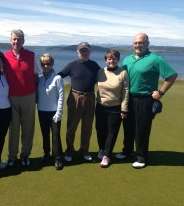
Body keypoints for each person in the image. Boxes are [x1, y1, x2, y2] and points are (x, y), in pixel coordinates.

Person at [115, 33, 178, 169]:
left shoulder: (155, 59)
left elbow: (172, 75)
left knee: (142, 129)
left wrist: (160, 92)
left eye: (140, 43)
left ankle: (141, 156)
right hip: (128, 98)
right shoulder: (127, 59)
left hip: (144, 100)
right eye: (135, 43)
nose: (137, 45)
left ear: (147, 43)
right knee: (128, 126)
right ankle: (127, 151)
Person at [3, 29, 40, 167]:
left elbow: (36, 76)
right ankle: (12, 156)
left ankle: (25, 155)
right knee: (13, 130)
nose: (16, 41)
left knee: (28, 128)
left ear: (23, 41)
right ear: (10, 40)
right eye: (14, 39)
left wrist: (36, 95)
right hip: (11, 98)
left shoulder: (31, 55)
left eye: (19, 39)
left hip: (29, 97)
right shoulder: (5, 56)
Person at [58, 42, 100, 162]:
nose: (84, 53)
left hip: (90, 98)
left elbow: (103, 78)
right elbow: (59, 76)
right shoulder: (72, 65)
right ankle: (69, 151)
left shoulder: (95, 65)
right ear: (77, 52)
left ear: (90, 52)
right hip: (75, 98)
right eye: (82, 51)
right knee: (72, 126)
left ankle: (84, 150)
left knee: (87, 127)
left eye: (86, 50)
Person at [95, 49, 129, 168]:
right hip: (100, 106)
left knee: (112, 131)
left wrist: (124, 109)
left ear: (117, 59)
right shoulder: (100, 71)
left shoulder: (122, 73)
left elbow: (125, 91)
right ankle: (102, 149)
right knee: (100, 129)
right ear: (106, 60)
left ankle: (107, 156)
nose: (111, 61)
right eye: (109, 59)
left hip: (115, 107)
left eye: (114, 58)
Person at [37, 53, 64, 170]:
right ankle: (46, 153)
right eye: (43, 64)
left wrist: (59, 112)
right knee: (45, 134)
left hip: (54, 111)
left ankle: (57, 158)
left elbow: (61, 96)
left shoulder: (57, 78)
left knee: (56, 135)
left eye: (48, 64)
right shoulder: (39, 78)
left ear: (52, 64)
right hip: (42, 111)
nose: (45, 66)